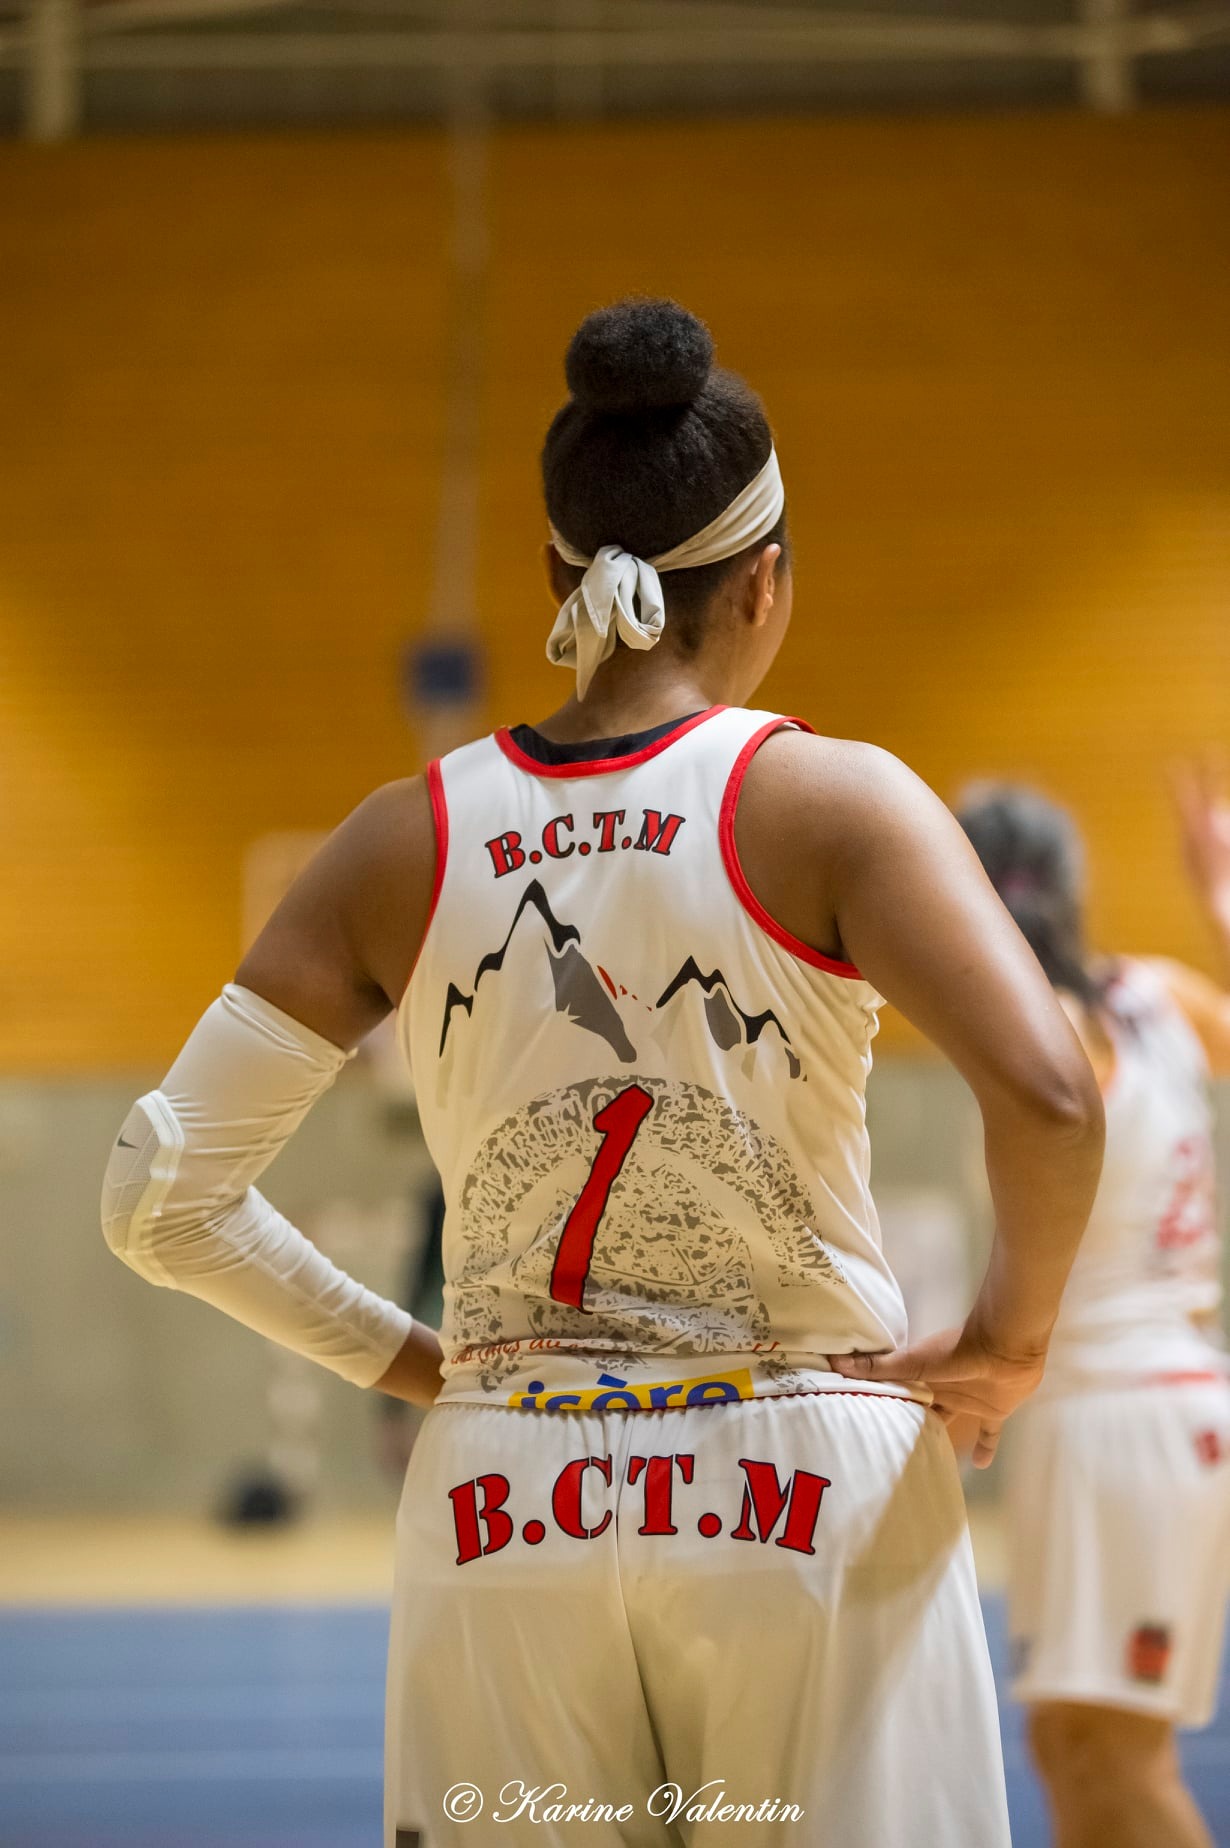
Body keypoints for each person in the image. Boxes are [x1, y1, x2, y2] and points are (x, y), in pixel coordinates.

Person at [101, 298, 1103, 1847]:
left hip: (506, 1489)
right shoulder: (831, 802)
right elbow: (1049, 1096)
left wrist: (426, 1365)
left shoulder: (399, 838)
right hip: (800, 1470)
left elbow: (164, 1197)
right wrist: (1010, 1340)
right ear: (762, 582)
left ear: (555, 580)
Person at [959, 773, 1230, 1848]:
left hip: (1131, 1414)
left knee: (1119, 1759)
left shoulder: (1041, 1025)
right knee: (1066, 1749)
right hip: (1111, 1417)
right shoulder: (1159, 994)